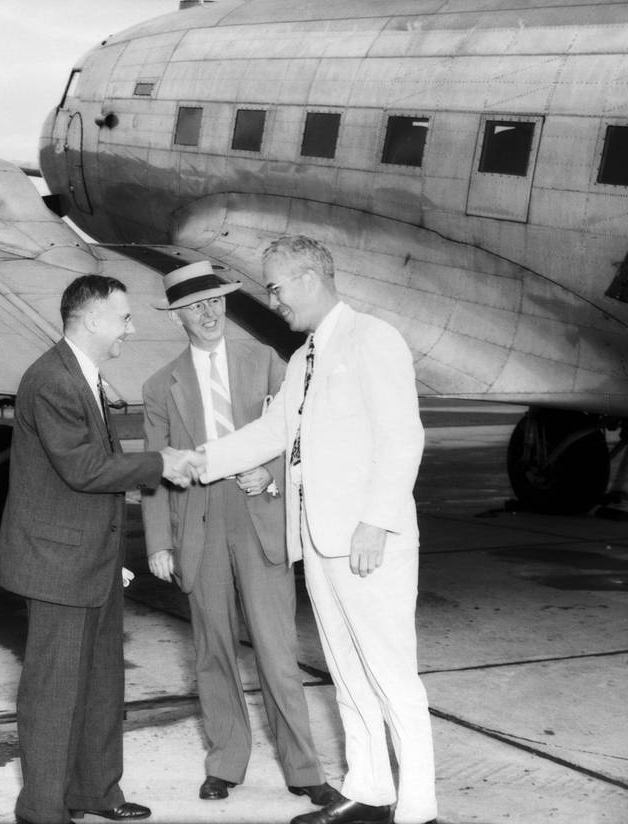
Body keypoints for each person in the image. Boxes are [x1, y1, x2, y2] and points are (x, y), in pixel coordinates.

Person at [188, 237, 437, 824]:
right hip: (321, 544)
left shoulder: (372, 339)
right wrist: (197, 460)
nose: (272, 300)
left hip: (369, 544)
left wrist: (375, 523)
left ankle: (419, 809)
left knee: (391, 675)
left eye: (274, 287)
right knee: (347, 675)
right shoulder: (304, 358)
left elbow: (404, 439)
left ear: (307, 279)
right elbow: (273, 433)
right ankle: (371, 791)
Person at [140, 260, 340, 809]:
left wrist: (271, 474)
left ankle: (303, 769)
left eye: (214, 302)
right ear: (178, 316)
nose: (207, 314)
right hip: (197, 524)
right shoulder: (161, 385)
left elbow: (297, 435)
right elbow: (154, 469)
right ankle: (225, 762)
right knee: (213, 650)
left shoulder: (268, 362)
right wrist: (158, 541)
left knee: (278, 653)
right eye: (194, 307)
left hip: (258, 517)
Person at [0, 275, 198, 824]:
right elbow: (83, 469)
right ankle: (41, 809)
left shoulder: (81, 375)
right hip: (57, 563)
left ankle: (93, 791)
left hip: (91, 558)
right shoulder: (54, 380)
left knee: (101, 683)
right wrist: (162, 463)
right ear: (90, 320)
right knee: (55, 690)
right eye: (124, 318)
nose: (130, 330)